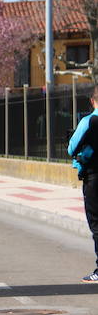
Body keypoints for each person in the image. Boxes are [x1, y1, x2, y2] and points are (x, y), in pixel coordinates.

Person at [67, 85, 98, 282]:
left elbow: (71, 148)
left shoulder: (89, 121)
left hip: (95, 177)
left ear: (93, 101)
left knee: (97, 224)